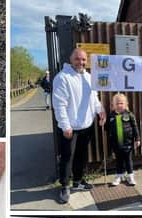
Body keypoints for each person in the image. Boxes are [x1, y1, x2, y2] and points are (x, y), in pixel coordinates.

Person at [52, 47, 106, 204]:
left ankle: (78, 181)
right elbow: (59, 104)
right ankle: (65, 186)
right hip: (70, 128)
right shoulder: (62, 78)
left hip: (86, 125)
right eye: (77, 59)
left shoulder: (89, 77)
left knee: (81, 156)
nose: (81, 62)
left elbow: (94, 98)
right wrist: (65, 126)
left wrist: (100, 110)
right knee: (67, 158)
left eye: (83, 59)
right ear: (71, 59)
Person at [106, 93, 140, 187]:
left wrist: (137, 139)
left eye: (121, 103)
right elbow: (107, 128)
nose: (119, 105)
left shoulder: (129, 115)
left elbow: (135, 127)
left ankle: (130, 176)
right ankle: (119, 176)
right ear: (113, 105)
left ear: (125, 104)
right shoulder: (111, 116)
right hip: (116, 144)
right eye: (117, 103)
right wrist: (102, 123)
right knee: (119, 161)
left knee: (128, 160)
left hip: (128, 143)